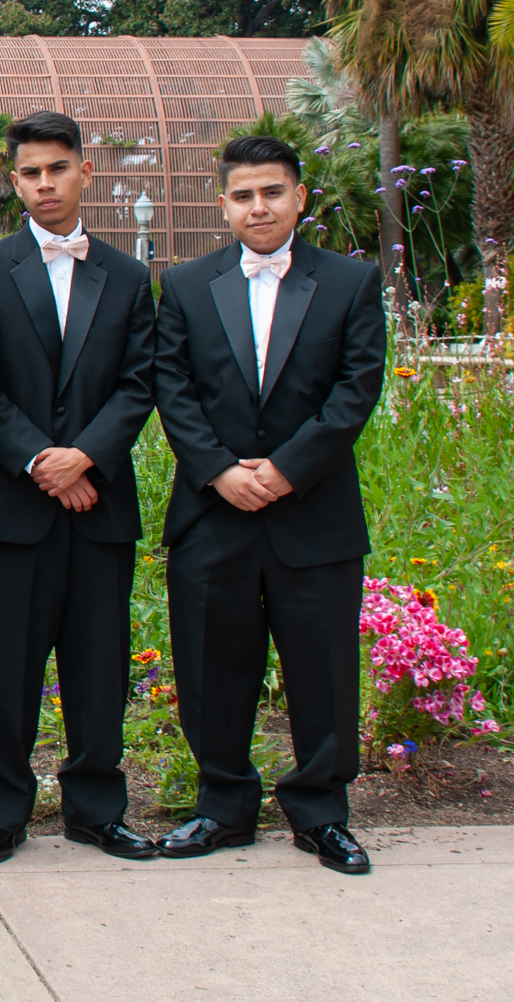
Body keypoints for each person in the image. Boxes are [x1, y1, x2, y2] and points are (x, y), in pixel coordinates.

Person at [152, 135, 385, 874]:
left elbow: (356, 390)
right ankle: (222, 806)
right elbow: (173, 388)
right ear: (223, 203)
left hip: (312, 514)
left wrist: (285, 470)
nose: (259, 206)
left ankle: (321, 813)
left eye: (273, 192)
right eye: (244, 194)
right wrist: (220, 471)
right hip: (213, 513)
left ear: (299, 197)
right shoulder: (186, 284)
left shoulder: (350, 282)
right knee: (210, 668)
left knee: (322, 670)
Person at [0, 111, 157, 864]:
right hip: (15, 503)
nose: (45, 184)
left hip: (100, 503)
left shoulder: (130, 277)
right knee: (9, 664)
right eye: (30, 173)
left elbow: (138, 386)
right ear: (15, 181)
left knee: (100, 664)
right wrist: (42, 459)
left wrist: (86, 457)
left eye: (57, 169)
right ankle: (3, 809)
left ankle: (96, 807)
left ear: (83, 171)